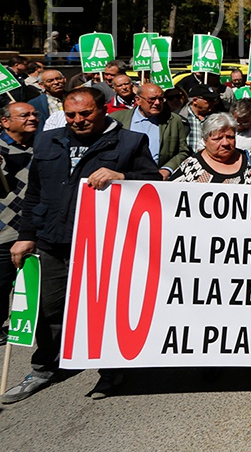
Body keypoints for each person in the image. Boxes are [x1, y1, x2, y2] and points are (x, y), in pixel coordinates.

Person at [3, 88, 159, 403]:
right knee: (49, 310)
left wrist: (122, 176)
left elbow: (153, 185)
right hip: (52, 240)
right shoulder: (47, 139)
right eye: (71, 114)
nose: (78, 120)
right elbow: (35, 191)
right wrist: (26, 235)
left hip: (103, 243)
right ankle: (45, 366)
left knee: (102, 310)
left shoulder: (129, 142)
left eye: (86, 113)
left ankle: (110, 370)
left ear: (103, 110)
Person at [0, 102, 36, 342]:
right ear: (5, 122)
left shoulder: (46, 145)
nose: (32, 118)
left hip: (35, 228)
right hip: (4, 230)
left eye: (34, 114)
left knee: (35, 284)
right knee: (1, 284)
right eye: (25, 115)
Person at [171, 113, 251, 185]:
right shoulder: (191, 166)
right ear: (205, 140)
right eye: (218, 138)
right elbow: (169, 196)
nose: (225, 143)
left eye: (230, 137)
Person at [111, 82, 189, 178]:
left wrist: (167, 169)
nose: (157, 103)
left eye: (160, 99)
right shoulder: (117, 119)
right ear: (138, 100)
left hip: (157, 178)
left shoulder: (173, 120)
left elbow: (183, 151)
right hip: (124, 178)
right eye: (152, 99)